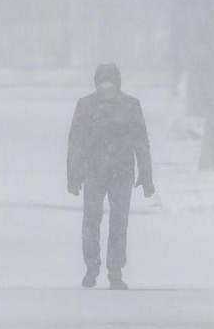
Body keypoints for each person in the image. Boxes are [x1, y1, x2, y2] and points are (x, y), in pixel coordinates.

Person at [65, 61, 154, 288]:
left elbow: (76, 142)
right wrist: (146, 175)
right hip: (120, 172)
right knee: (118, 222)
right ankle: (114, 271)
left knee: (92, 221)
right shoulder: (130, 105)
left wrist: (73, 174)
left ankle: (92, 269)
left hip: (94, 172)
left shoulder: (85, 106)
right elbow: (141, 142)